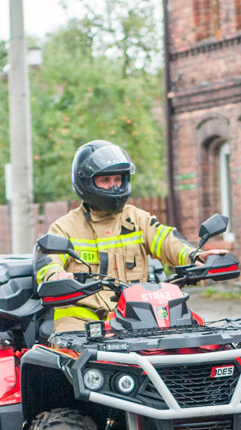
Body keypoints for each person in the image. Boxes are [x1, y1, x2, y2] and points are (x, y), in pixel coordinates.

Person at [34, 139, 226, 334]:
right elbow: (47, 261)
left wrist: (195, 256)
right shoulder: (65, 227)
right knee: (72, 347)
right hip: (81, 319)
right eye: (105, 180)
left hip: (136, 317)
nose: (114, 187)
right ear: (86, 182)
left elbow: (168, 241)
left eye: (118, 179)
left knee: (191, 337)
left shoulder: (138, 220)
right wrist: (56, 275)